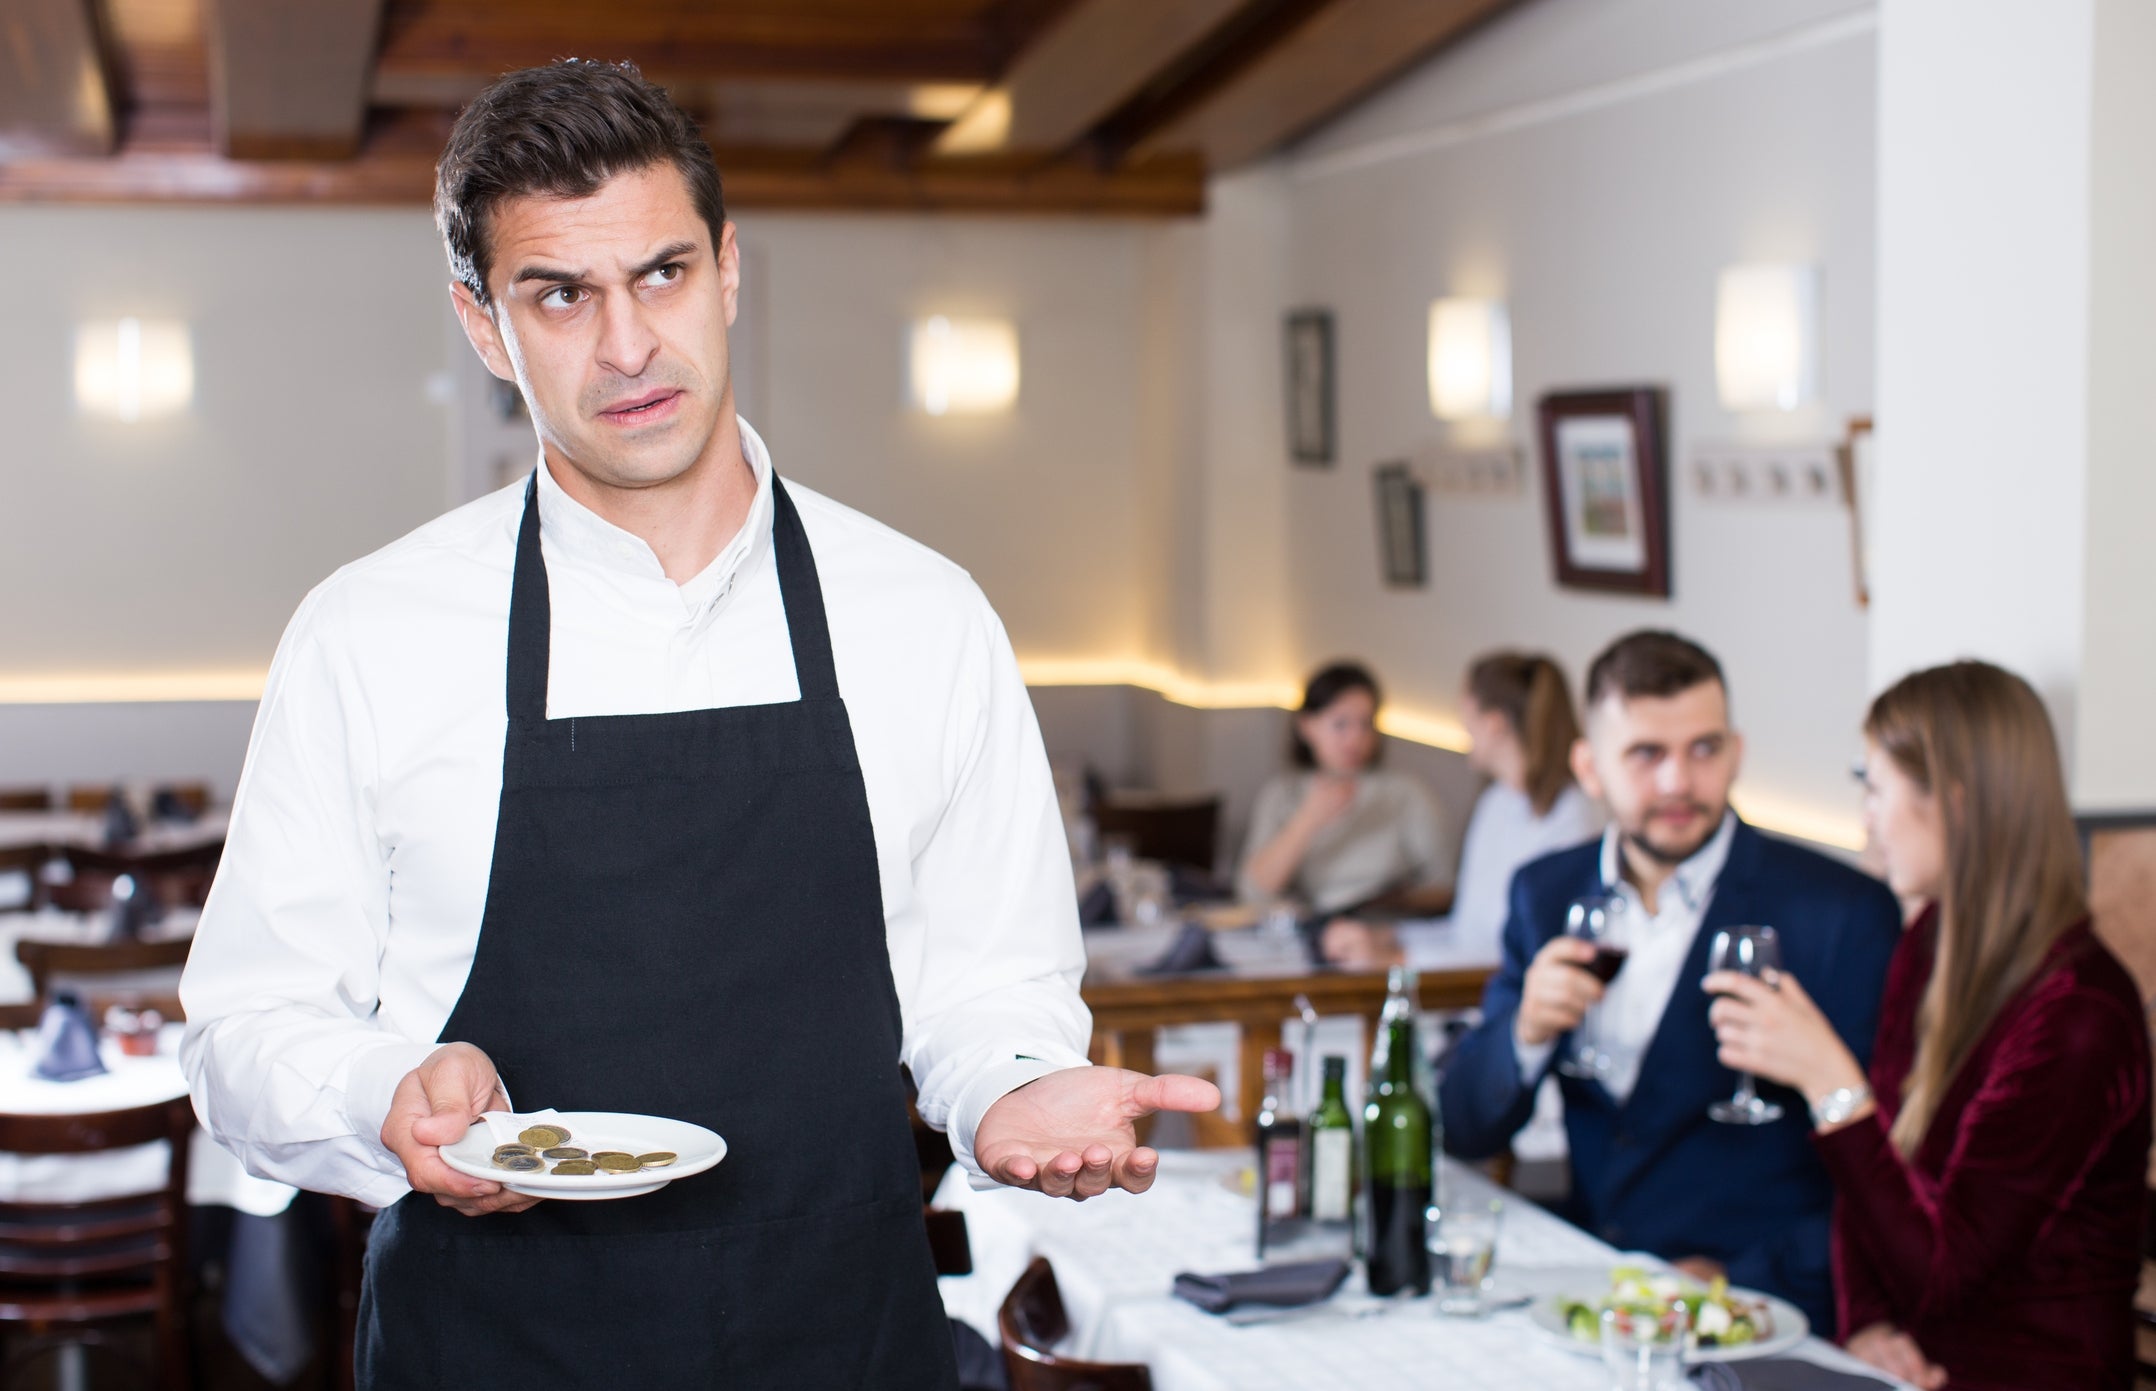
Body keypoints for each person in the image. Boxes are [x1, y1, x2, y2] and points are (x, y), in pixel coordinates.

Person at [177, 60, 1216, 1388]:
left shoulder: (924, 615)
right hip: (493, 1348)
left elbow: (987, 986)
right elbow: (243, 1029)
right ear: (484, 325)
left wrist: (1013, 1082)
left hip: (842, 1340)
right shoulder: (367, 632)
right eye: (561, 294)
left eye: (661, 273)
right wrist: (381, 1088)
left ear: (727, 271)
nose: (626, 346)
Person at [1438, 630, 1901, 1330]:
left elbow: (1884, 1165)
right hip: (1591, 1293)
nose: (1678, 782)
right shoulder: (1545, 891)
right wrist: (1524, 1033)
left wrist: (1734, 1285)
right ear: (1590, 768)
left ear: (1736, 753)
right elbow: (1467, 1126)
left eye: (1704, 750)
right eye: (1647, 754)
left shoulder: (1841, 912)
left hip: (1761, 1309)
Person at [1707, 661, 2150, 1390]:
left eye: (1874, 787)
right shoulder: (1927, 942)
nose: (1865, 818)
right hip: (1907, 1365)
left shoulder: (2079, 1014)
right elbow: (1871, 1192)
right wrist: (1867, 1325)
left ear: (1955, 802)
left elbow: (1946, 1270)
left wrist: (1831, 1087)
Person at [1322, 651, 1603, 969]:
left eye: (1466, 715)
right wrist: (1388, 937)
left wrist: (1396, 959)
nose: (1462, 728)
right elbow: (1467, 934)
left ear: (1494, 723)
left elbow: (1515, 955)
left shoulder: (1572, 818)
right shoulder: (1496, 802)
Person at [1237, 661, 1450, 915]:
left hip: (1388, 921)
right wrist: (1308, 820)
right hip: (1314, 924)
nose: (1355, 738)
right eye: (1341, 724)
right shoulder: (1282, 794)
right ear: (1306, 726)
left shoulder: (1405, 793)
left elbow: (1441, 884)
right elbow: (1253, 891)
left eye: (1366, 724)